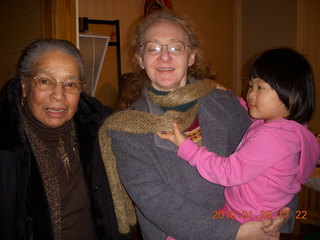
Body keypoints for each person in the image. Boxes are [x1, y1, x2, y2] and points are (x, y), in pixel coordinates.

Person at [99, 10, 296, 240]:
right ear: (141, 59)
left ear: (191, 56)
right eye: (153, 48)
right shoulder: (127, 129)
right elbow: (157, 201)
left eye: (175, 47)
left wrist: (282, 211)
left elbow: (275, 154)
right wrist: (233, 233)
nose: (164, 57)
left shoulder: (225, 103)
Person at [157, 48, 320, 225]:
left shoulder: (272, 138)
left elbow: (228, 172)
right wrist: (229, 96)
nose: (251, 94)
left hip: (247, 217)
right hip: (257, 211)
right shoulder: (289, 129)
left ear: (292, 93)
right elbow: (251, 116)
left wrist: (186, 146)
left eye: (260, 87)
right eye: (251, 86)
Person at [0, 39, 136, 240]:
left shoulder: (102, 129)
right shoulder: (6, 144)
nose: (59, 95)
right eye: (45, 81)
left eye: (70, 84)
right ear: (24, 86)